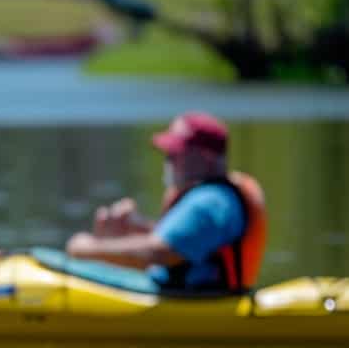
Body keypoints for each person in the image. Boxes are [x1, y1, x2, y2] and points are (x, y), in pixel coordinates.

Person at [66, 112, 267, 293]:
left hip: (194, 308)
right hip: (176, 296)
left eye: (175, 153)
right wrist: (139, 228)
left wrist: (87, 248)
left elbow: (160, 252)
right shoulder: (213, 196)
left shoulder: (210, 202)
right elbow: (182, 244)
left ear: (206, 157)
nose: (168, 160)